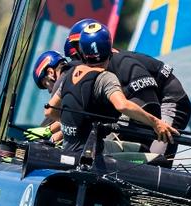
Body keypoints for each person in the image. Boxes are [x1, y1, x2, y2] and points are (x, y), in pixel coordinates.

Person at [45, 22, 177, 153]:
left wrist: (74, 125)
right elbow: (122, 105)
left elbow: (50, 111)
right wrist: (156, 123)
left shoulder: (70, 74)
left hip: (69, 151)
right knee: (151, 156)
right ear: (109, 47)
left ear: (82, 51)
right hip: (94, 154)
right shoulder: (106, 77)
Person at [107, 49, 191, 160]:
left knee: (155, 159)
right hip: (153, 98)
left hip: (172, 100)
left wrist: (154, 123)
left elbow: (150, 104)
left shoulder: (114, 60)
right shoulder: (106, 57)